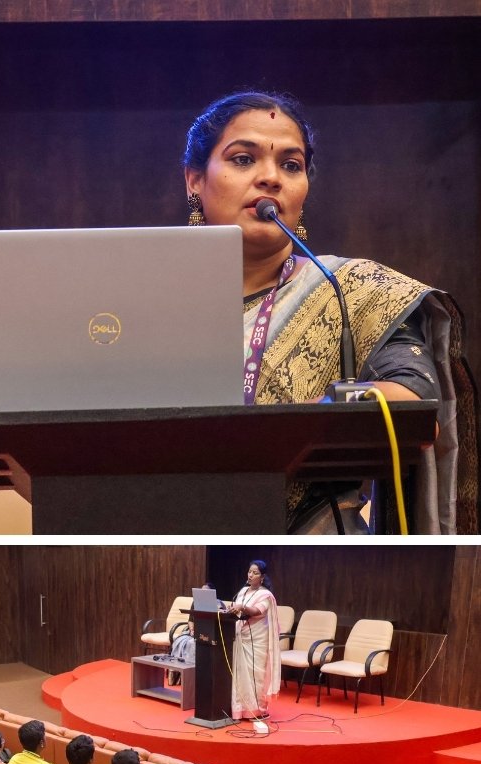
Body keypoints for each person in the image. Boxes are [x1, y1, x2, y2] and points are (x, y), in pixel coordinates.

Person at [183, 89, 470, 534]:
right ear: (195, 180)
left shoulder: (349, 290)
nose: (271, 178)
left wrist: (315, 414)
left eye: (290, 165)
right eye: (243, 159)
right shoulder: (139, 303)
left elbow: (417, 402)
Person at [225, 560, 281, 720]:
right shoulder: (242, 592)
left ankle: (257, 710)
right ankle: (240, 709)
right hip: (241, 637)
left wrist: (243, 607)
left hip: (257, 641)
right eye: (249, 571)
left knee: (255, 676)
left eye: (255, 573)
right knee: (241, 675)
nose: (250, 575)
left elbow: (257, 611)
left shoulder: (266, 595)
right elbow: (236, 608)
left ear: (262, 577)